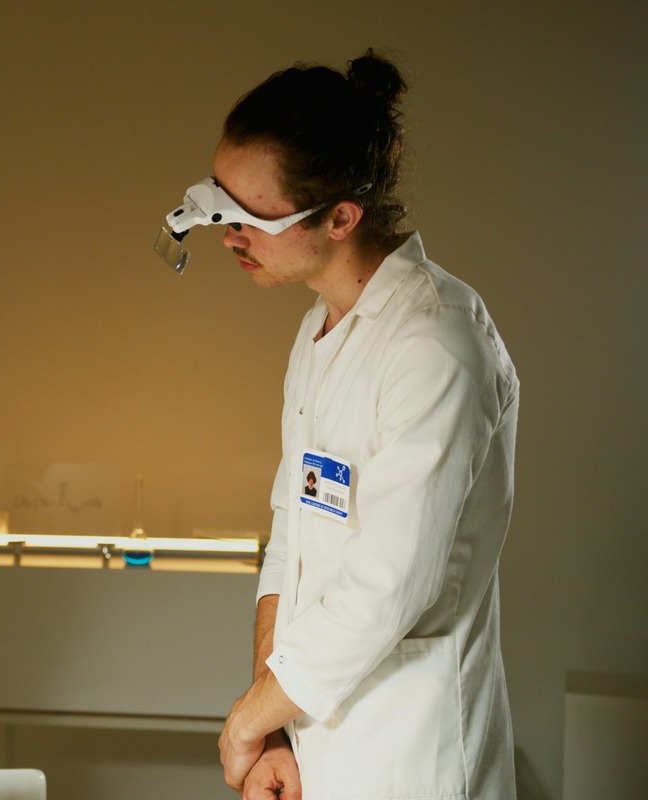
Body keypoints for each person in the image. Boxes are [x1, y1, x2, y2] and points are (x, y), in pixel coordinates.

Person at [210, 52, 519, 798]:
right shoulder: (321, 331)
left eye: (254, 217)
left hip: (410, 755)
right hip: (313, 742)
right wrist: (273, 729)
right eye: (221, 205)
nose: (228, 235)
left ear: (341, 217)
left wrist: (246, 723)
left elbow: (389, 582)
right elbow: (291, 539)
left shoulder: (435, 342)